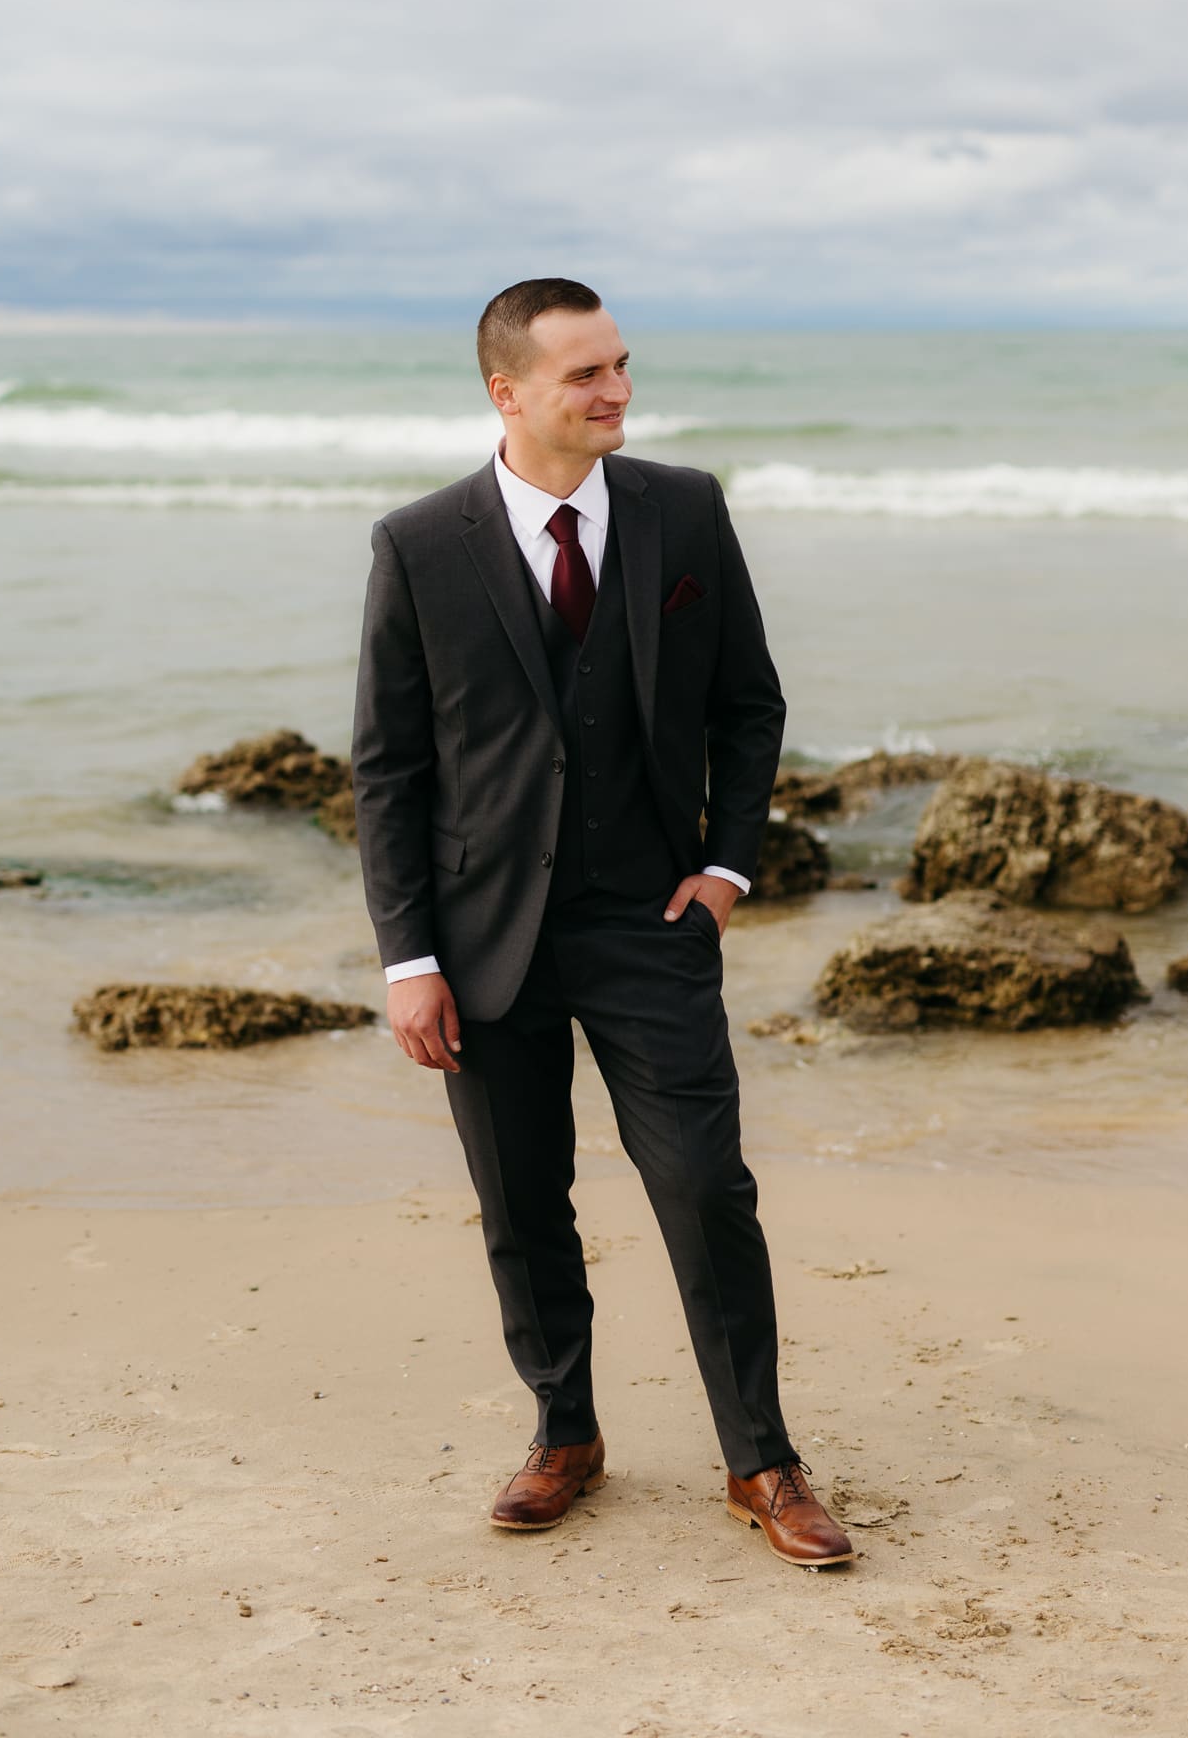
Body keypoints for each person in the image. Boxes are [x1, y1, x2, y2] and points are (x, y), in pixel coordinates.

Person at [350, 278, 852, 1568]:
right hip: (481, 937)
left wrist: (729, 869)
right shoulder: (419, 543)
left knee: (704, 1188)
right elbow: (390, 767)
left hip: (650, 916)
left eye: (621, 364)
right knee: (522, 1200)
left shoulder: (685, 510)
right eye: (586, 375)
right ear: (507, 393)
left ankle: (763, 1460)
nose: (617, 390)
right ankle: (563, 1434)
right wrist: (409, 957)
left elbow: (750, 702)